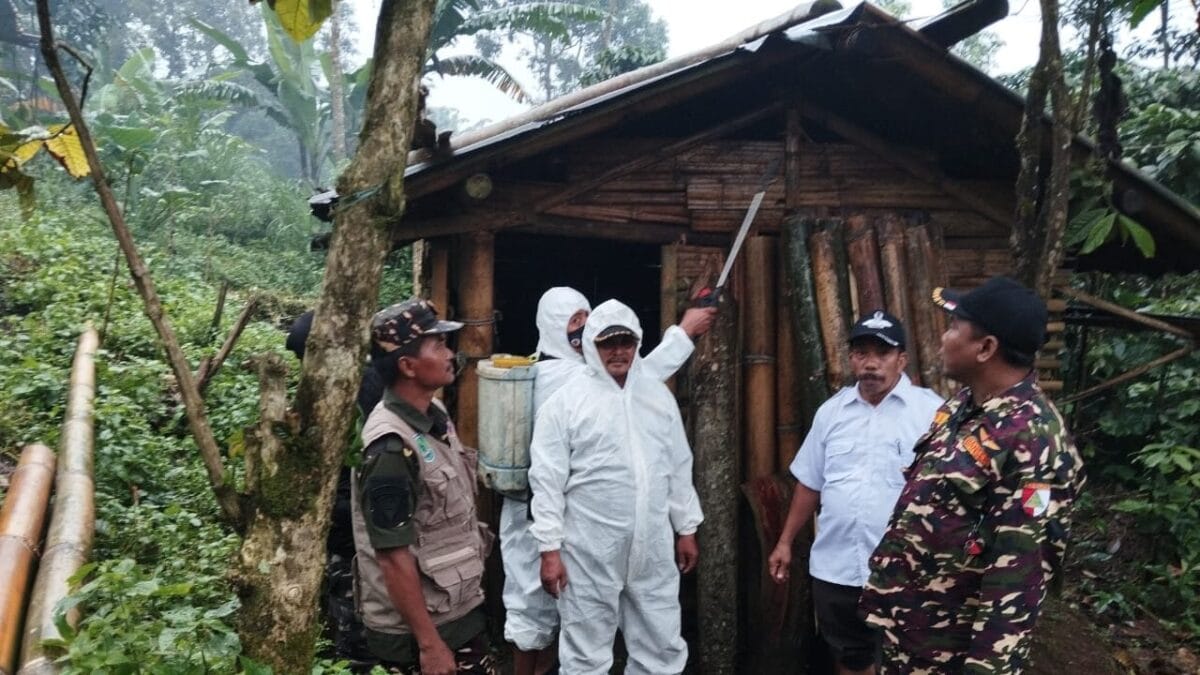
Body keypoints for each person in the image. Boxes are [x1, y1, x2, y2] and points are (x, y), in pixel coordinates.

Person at [858, 276, 1086, 674]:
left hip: (954, 654)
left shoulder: (1034, 441)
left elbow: (1020, 577)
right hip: (911, 635)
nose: (943, 338)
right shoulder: (963, 407)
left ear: (986, 348)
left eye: (953, 328)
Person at [501, 288, 716, 675]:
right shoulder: (564, 396)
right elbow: (547, 479)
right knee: (585, 651)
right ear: (592, 345)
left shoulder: (654, 397)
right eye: (607, 343)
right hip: (588, 548)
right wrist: (550, 550)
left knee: (661, 642)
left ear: (636, 341)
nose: (618, 352)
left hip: (651, 545)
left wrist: (686, 527)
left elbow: (677, 466)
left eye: (626, 342)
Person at [767, 311, 943, 675]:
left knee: (908, 659)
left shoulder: (931, 413)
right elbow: (809, 483)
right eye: (862, 353)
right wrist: (785, 541)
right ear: (851, 359)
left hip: (905, 570)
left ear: (902, 359)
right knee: (851, 657)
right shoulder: (831, 413)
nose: (871, 363)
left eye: (882, 353)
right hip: (838, 566)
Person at [349, 299, 496, 675]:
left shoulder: (435, 416)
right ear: (408, 366)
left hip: (455, 612)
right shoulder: (390, 450)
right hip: (420, 634)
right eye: (438, 346)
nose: (450, 354)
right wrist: (429, 645)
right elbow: (392, 557)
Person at [286, 310, 383, 666]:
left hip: (349, 513)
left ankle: (356, 660)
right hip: (358, 512)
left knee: (352, 600)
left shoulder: (342, 389)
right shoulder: (371, 377)